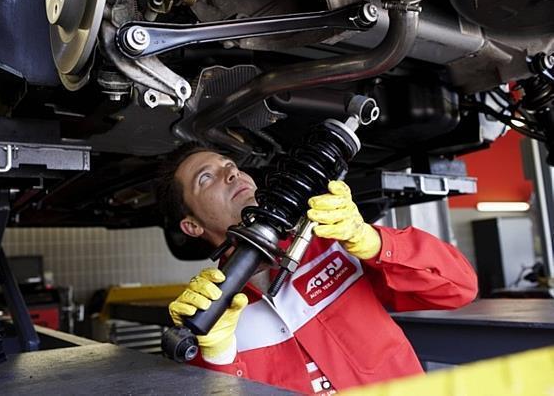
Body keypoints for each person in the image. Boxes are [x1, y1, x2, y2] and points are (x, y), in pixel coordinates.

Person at [157, 143, 478, 395]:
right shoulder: (209, 315)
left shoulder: (330, 242)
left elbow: (459, 287)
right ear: (192, 226)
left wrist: (375, 243)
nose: (231, 174)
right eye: (206, 178)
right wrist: (217, 357)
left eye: (231, 166)